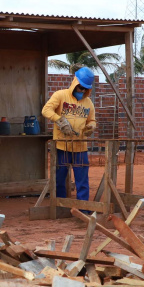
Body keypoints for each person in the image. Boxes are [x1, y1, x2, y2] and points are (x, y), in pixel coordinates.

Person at [42, 67, 97, 201]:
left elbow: (92, 120)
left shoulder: (88, 103)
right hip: (62, 146)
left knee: (82, 180)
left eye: (85, 89)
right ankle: (60, 205)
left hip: (80, 147)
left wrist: (91, 127)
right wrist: (59, 120)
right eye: (80, 87)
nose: (82, 91)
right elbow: (46, 110)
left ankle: (83, 207)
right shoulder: (61, 95)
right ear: (75, 83)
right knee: (59, 178)